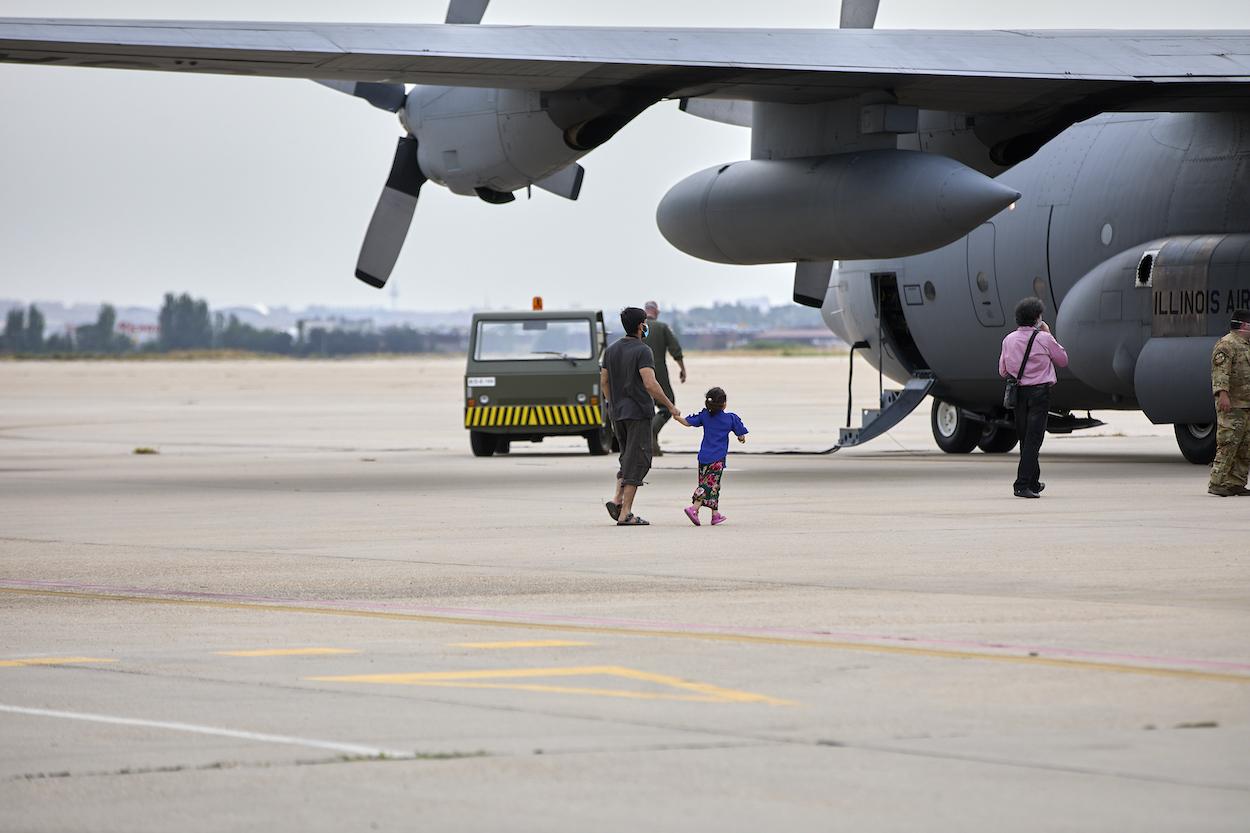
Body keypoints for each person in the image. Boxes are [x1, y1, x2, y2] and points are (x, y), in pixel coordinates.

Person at [602, 306, 681, 526]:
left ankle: (617, 499)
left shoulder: (611, 350)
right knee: (639, 460)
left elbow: (604, 382)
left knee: (626, 456)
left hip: (618, 414)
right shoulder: (642, 350)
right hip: (638, 413)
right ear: (640, 326)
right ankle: (626, 512)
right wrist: (669, 405)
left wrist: (613, 405)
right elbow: (650, 383)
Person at [998, 297, 1069, 499]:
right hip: (1039, 394)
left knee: (1025, 438)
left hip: (1017, 394)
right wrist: (1047, 334)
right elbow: (1063, 360)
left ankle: (1033, 482)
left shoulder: (1008, 339)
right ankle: (1021, 485)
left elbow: (1003, 370)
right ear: (1037, 318)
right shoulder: (1044, 338)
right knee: (1034, 439)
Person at [675, 386, 748, 526]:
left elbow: (687, 422)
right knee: (708, 485)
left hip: (703, 458)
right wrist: (741, 438)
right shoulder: (730, 419)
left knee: (713, 485)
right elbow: (740, 433)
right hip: (717, 460)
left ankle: (715, 514)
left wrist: (676, 416)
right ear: (724, 404)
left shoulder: (704, 416)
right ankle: (694, 508)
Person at [1208, 308, 1250, 497]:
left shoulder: (1246, 345)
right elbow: (1220, 373)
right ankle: (1217, 482)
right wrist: (1223, 395)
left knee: (1245, 446)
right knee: (1228, 443)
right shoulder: (1227, 345)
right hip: (1232, 405)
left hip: (1246, 404)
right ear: (1244, 325)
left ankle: (1236, 482)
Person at [642, 301, 687, 455]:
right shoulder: (662, 327)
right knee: (667, 406)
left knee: (642, 407)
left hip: (637, 372)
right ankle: (651, 433)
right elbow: (675, 349)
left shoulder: (639, 327)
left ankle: (647, 441)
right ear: (657, 312)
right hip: (657, 371)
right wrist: (682, 369)